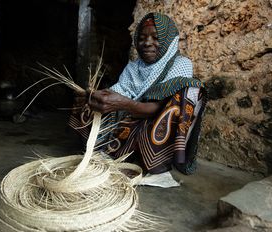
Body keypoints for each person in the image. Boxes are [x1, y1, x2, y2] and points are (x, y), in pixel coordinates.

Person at [69, 12, 206, 175]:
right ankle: (105, 150)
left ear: (169, 40)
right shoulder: (134, 67)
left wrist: (126, 104)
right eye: (141, 38)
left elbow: (159, 109)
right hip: (131, 116)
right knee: (92, 103)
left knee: (191, 89)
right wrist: (95, 97)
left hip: (156, 125)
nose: (147, 43)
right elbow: (119, 91)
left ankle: (154, 159)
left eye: (156, 38)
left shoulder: (180, 64)